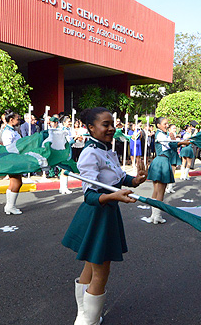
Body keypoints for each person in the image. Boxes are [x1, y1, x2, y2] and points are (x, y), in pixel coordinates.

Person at [62, 107, 147, 325]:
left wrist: (135, 180)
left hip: (106, 212)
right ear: (90, 128)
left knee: (91, 266)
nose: (111, 128)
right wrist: (114, 196)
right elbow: (90, 195)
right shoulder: (90, 153)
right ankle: (87, 321)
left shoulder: (106, 150)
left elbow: (115, 179)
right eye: (105, 124)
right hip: (98, 215)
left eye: (112, 124)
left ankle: (84, 316)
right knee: (101, 271)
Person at [145, 117, 190, 224]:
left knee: (156, 191)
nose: (167, 125)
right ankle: (157, 216)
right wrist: (182, 142)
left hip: (158, 161)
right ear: (158, 125)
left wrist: (179, 141)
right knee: (160, 191)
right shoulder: (160, 135)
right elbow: (171, 144)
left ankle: (154, 216)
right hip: (162, 162)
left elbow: (172, 144)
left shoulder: (162, 134)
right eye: (165, 124)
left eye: (167, 124)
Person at [0, 109, 25, 214]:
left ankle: (9, 206)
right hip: (12, 159)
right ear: (11, 120)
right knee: (16, 182)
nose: (18, 120)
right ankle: (11, 206)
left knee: (16, 182)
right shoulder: (7, 132)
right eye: (17, 119)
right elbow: (8, 147)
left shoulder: (12, 130)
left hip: (16, 158)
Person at [166, 124, 182, 193]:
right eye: (173, 128)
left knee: (173, 170)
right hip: (170, 153)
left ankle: (170, 186)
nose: (174, 130)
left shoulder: (174, 136)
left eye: (175, 128)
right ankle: (168, 186)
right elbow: (170, 145)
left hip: (174, 153)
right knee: (170, 170)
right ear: (169, 129)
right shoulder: (168, 136)